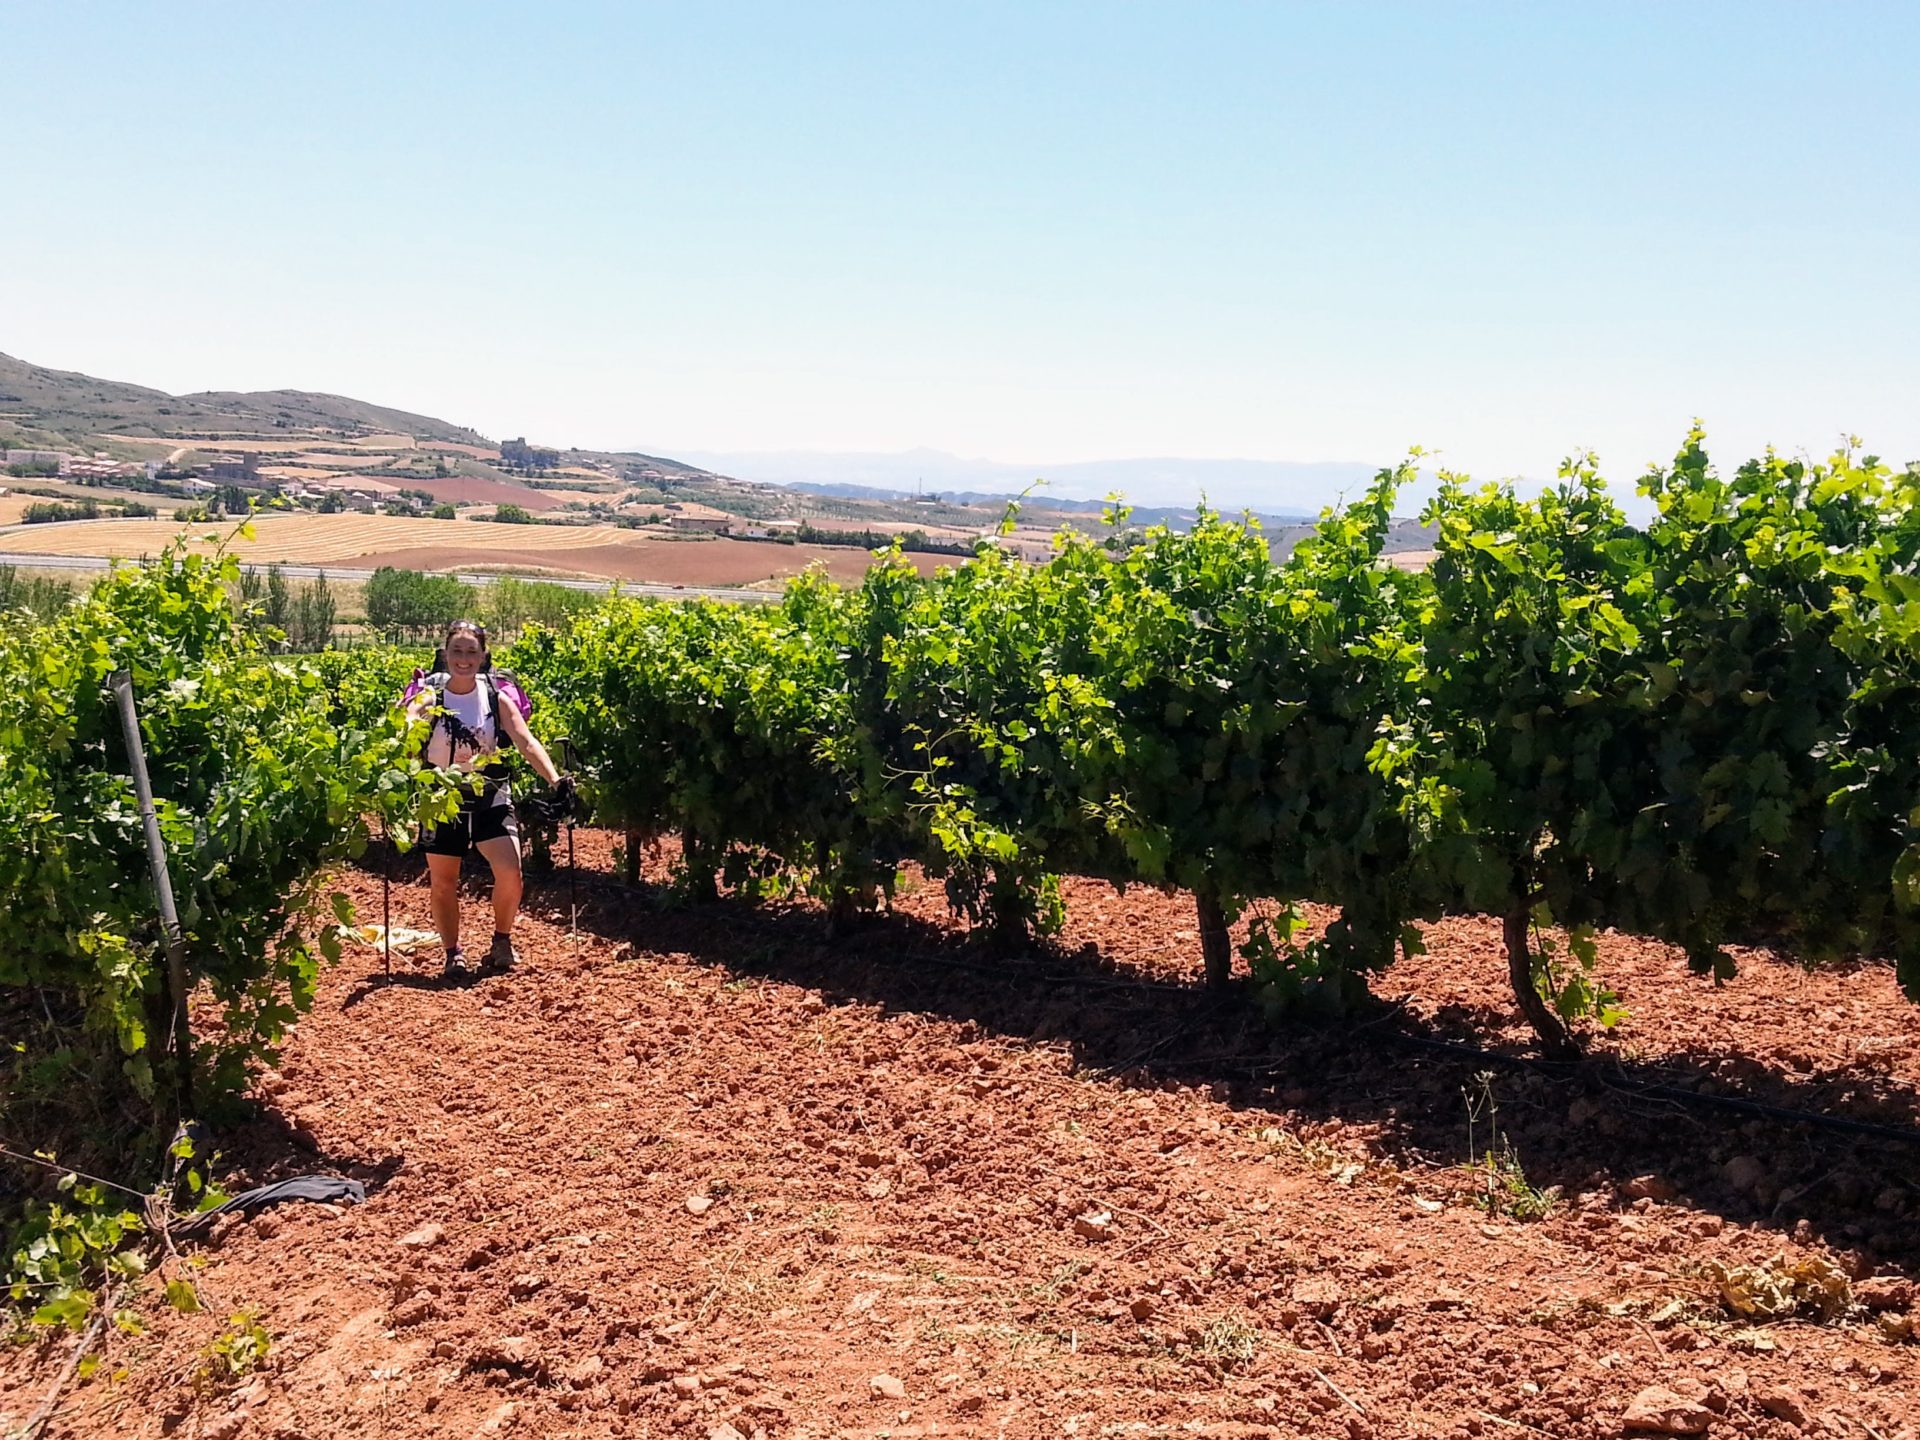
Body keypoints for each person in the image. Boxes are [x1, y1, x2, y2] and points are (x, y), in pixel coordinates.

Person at [403, 619, 573, 979]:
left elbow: (526, 741)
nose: (463, 659)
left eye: (471, 652)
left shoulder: (496, 696)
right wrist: (405, 731)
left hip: (489, 791)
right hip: (441, 794)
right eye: (456, 651)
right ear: (445, 654)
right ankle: (453, 953)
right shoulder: (430, 694)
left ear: (483, 657)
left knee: (510, 870)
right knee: (444, 881)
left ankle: (502, 940)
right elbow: (411, 718)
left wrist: (556, 780)